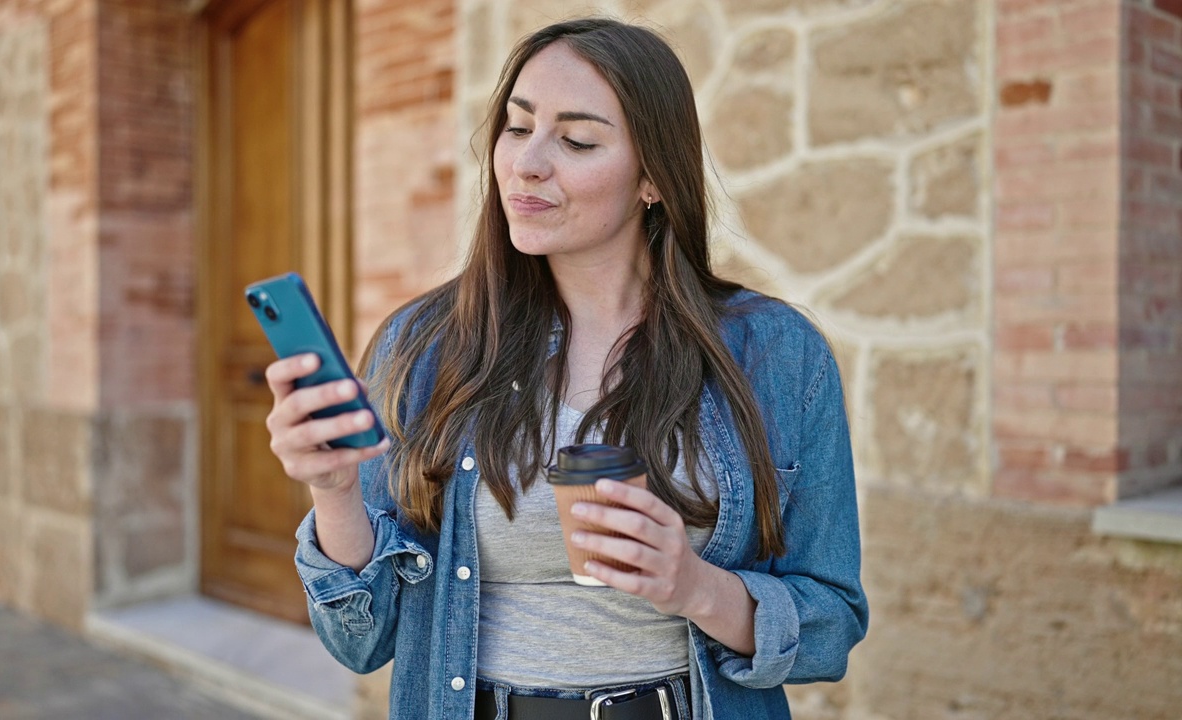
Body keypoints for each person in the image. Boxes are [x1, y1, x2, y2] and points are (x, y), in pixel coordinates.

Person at [263, 17, 866, 720]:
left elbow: (831, 625)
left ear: (653, 180)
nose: (527, 162)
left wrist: (694, 586)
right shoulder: (428, 346)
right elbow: (363, 644)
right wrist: (333, 493)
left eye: (576, 140)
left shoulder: (778, 354)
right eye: (517, 128)